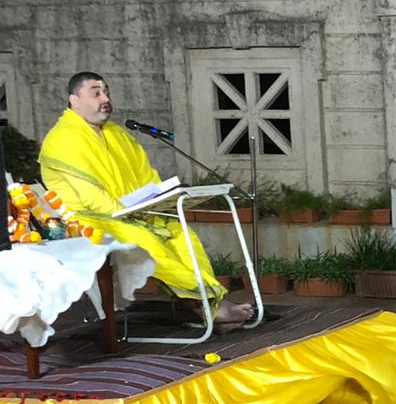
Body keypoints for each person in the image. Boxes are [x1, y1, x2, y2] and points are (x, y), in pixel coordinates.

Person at [39, 73, 253, 326]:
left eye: (106, 92)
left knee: (180, 232)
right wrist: (130, 215)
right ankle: (207, 304)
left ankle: (211, 302)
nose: (105, 99)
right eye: (96, 93)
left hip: (132, 213)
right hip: (92, 221)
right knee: (149, 242)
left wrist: (159, 200)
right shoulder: (62, 139)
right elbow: (91, 197)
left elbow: (145, 176)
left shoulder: (116, 133)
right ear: (74, 100)